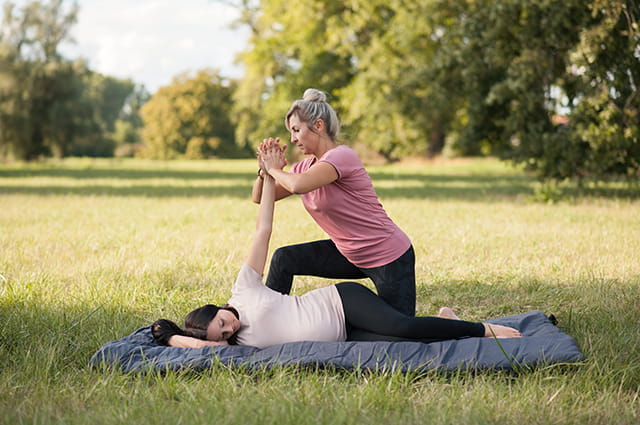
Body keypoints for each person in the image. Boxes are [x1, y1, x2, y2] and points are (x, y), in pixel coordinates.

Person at [151, 146, 522, 349]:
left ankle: (483, 331)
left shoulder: (244, 290)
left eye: (222, 322)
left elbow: (264, 227)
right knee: (400, 344)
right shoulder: (235, 342)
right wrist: (176, 336)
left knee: (403, 327)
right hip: (344, 334)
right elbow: (200, 348)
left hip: (339, 303)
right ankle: (448, 321)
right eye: (224, 335)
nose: (230, 328)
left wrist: (267, 171)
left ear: (217, 309)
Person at [251, 88, 416, 318]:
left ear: (318, 126)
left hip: (388, 255)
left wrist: (275, 169)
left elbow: (299, 185)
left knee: (399, 333)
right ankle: (265, 319)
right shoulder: (303, 167)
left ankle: (447, 319)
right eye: (290, 132)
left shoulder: (341, 156)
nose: (292, 139)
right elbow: (260, 197)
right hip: (349, 253)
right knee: (284, 258)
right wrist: (264, 170)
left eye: (297, 130)